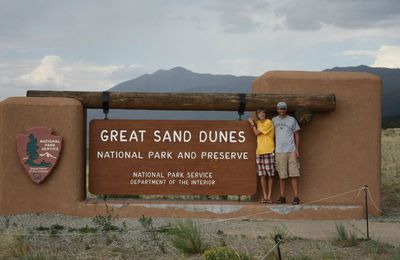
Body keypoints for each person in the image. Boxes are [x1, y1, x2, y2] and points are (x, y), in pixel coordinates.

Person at [272, 101, 301, 205]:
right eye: (280, 108)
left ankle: (296, 197)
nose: (282, 110)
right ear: (277, 110)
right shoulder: (274, 120)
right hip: (279, 151)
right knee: (282, 175)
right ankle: (282, 196)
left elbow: (297, 134)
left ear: (286, 110)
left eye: (283, 108)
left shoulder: (292, 120)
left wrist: (297, 149)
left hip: (291, 150)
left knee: (294, 174)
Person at [248, 109, 275, 204]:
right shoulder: (258, 123)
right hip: (259, 152)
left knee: (270, 175)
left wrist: (252, 124)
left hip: (268, 150)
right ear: (257, 115)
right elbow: (252, 120)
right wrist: (252, 122)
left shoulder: (269, 122)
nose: (262, 114)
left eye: (263, 113)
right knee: (262, 175)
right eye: (260, 113)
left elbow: (256, 133)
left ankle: (269, 196)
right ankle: (264, 196)